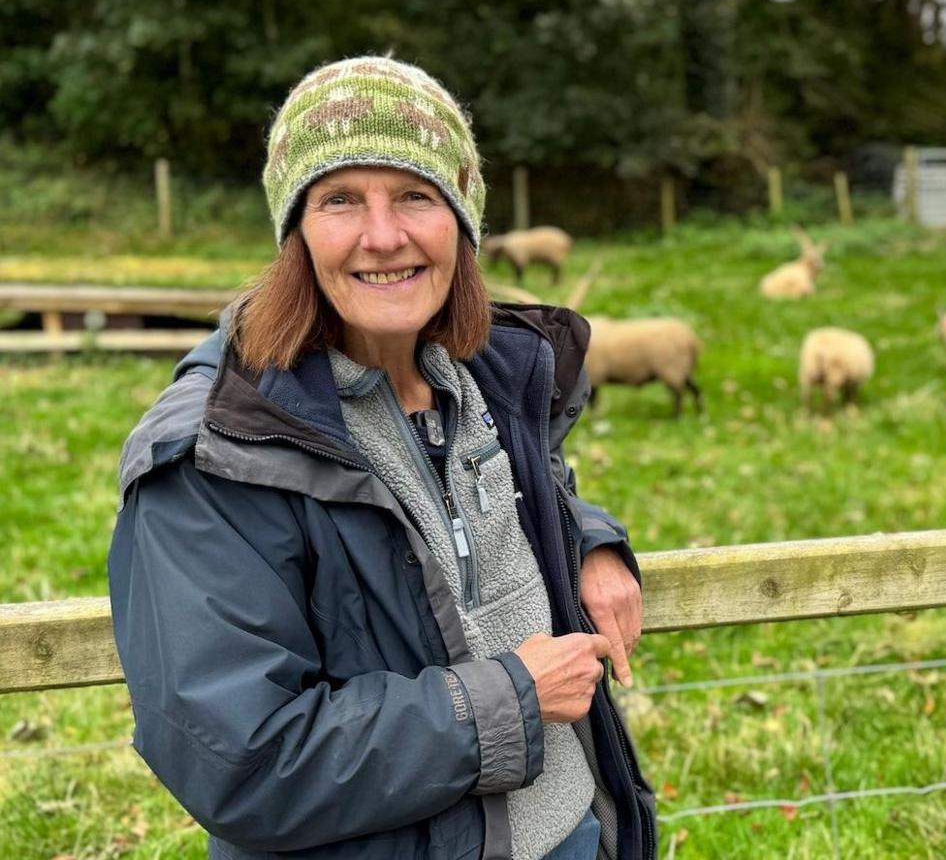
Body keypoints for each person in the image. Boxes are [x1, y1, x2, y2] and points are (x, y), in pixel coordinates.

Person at [108, 57, 656, 860]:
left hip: (571, 834)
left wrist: (585, 541)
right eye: (339, 200)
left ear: (461, 222)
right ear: (295, 231)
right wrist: (509, 701)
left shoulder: (486, 378)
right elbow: (239, 758)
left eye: (415, 195)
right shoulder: (218, 451)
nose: (384, 236)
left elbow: (498, 504)